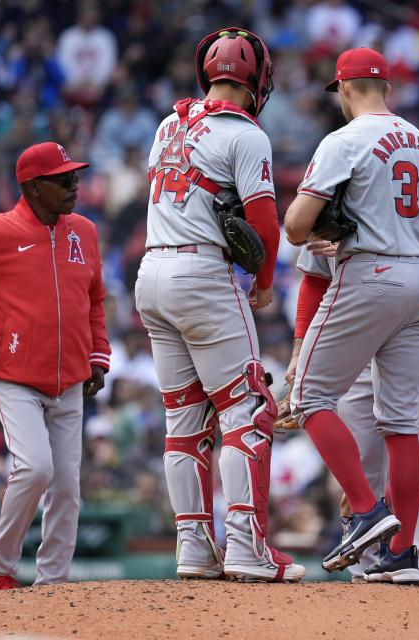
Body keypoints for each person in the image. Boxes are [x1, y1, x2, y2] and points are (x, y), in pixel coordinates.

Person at [134, 27, 303, 582]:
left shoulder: (167, 122)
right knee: (248, 408)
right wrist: (261, 282)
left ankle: (193, 547)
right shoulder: (247, 134)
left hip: (151, 272)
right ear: (255, 81)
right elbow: (263, 222)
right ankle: (247, 549)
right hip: (201, 273)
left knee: (184, 420)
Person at [284, 47, 419, 574]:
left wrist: (331, 228)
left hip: (371, 274)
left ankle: (364, 511)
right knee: (401, 424)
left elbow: (294, 227)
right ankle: (401, 554)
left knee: (309, 395)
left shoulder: (344, 140)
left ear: (344, 89)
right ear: (386, 88)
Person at [0, 141, 110, 590]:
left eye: (75, 175)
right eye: (63, 179)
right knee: (35, 467)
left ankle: (52, 583)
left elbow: (93, 297)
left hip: (70, 379)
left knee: (68, 488)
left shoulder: (84, 231)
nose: (75, 184)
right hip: (13, 374)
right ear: (33, 187)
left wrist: (97, 353)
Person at [282, 215, 419, 582]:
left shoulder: (415, 179)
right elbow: (315, 278)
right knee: (361, 455)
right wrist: (300, 349)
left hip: (412, 336)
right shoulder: (336, 191)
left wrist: (417, 323)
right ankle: (364, 567)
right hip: (352, 335)